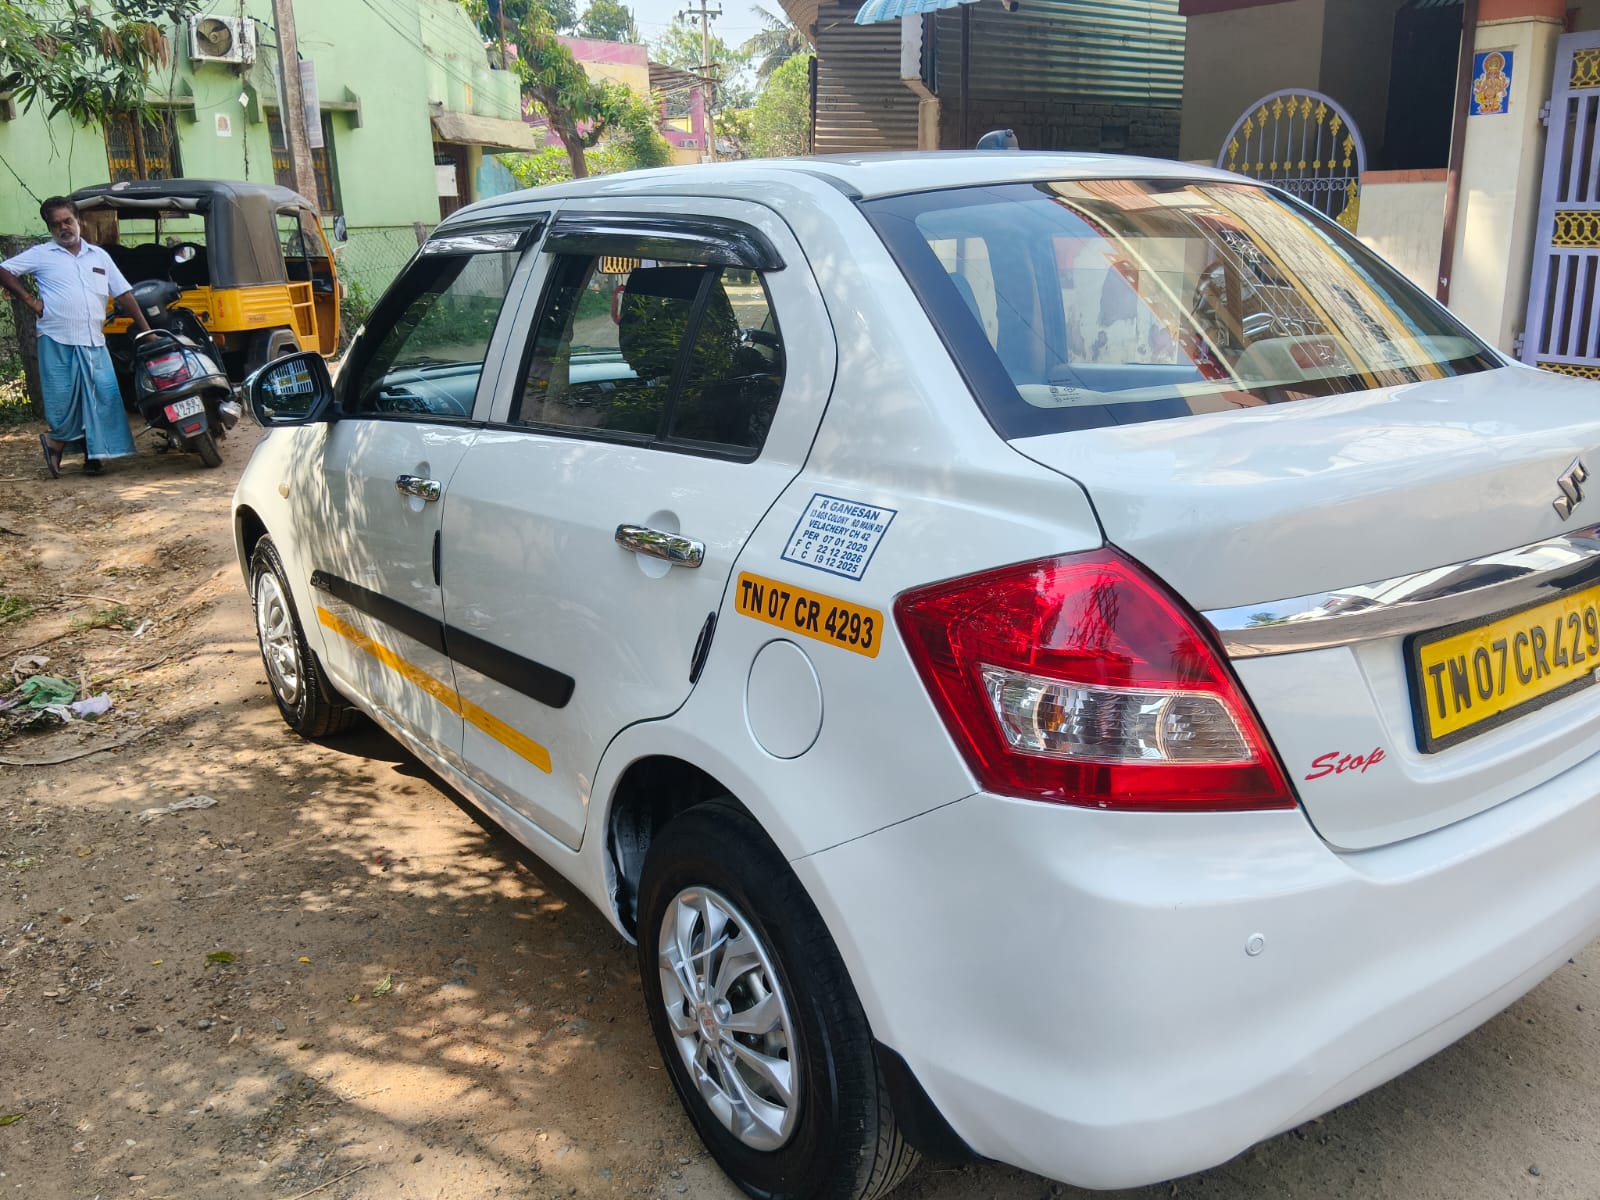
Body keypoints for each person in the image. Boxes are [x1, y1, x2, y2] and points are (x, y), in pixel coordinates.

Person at [0, 196, 150, 478]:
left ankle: (92, 455)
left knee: (102, 396)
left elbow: (124, 294)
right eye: (56, 224)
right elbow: (4, 270)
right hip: (57, 339)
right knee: (64, 402)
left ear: (78, 220)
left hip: (93, 340)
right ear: (50, 228)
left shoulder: (99, 256)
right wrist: (30, 301)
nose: (64, 228)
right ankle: (58, 443)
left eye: (68, 221)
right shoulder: (42, 254)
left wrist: (145, 329)